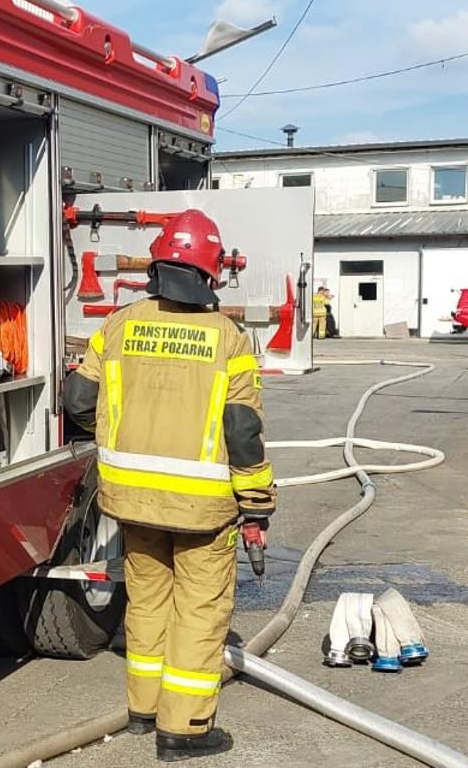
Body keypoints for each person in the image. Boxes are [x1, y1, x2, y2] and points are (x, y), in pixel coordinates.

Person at [65, 210, 275, 762]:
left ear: (156, 265)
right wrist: (256, 504)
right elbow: (242, 431)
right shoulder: (229, 338)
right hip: (204, 509)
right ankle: (183, 729)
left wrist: (118, 440)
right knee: (200, 610)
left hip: (130, 500)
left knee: (149, 599)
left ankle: (142, 709)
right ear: (211, 272)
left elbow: (77, 403)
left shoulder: (117, 324)